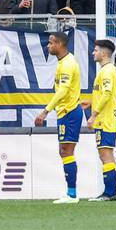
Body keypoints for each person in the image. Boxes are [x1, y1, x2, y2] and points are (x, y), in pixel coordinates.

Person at [34, 29, 83, 203]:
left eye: (51, 42)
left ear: (60, 44)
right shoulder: (64, 62)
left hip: (69, 112)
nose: (48, 46)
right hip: (66, 112)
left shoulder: (68, 64)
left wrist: (45, 110)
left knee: (66, 151)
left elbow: (63, 90)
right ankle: (71, 193)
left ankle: (72, 195)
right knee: (64, 151)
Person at [82, 37, 116, 201]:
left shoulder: (107, 71)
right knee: (105, 155)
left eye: (96, 50)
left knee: (106, 155)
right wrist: (91, 101)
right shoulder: (107, 70)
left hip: (105, 120)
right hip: (105, 119)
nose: (93, 52)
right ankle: (110, 192)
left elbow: (106, 94)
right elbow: (106, 94)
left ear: (104, 53)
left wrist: (93, 114)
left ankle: (110, 193)